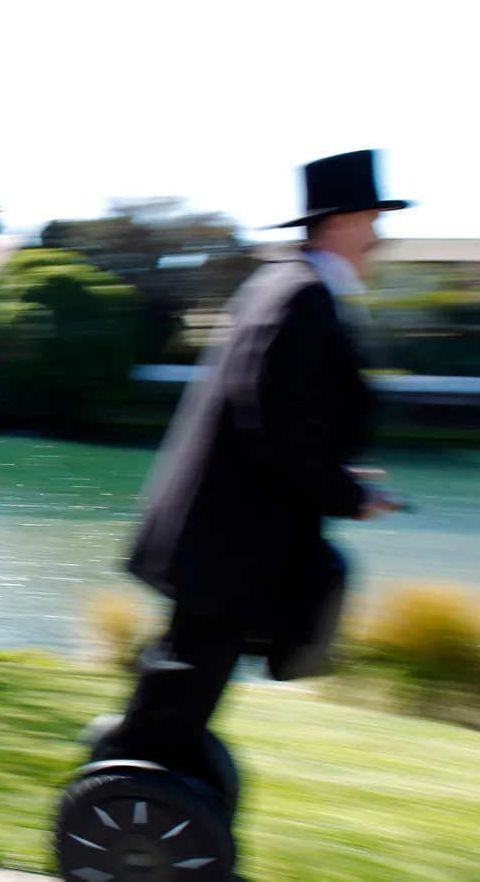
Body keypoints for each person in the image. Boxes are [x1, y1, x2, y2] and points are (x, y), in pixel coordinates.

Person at [95, 149, 410, 811]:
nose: (380, 235)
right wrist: (346, 492)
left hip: (229, 541)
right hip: (229, 543)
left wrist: (339, 475)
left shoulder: (290, 286)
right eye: (373, 218)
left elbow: (280, 412)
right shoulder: (298, 293)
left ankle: (130, 779)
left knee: (185, 679)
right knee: (184, 680)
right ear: (342, 220)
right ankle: (121, 800)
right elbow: (268, 413)